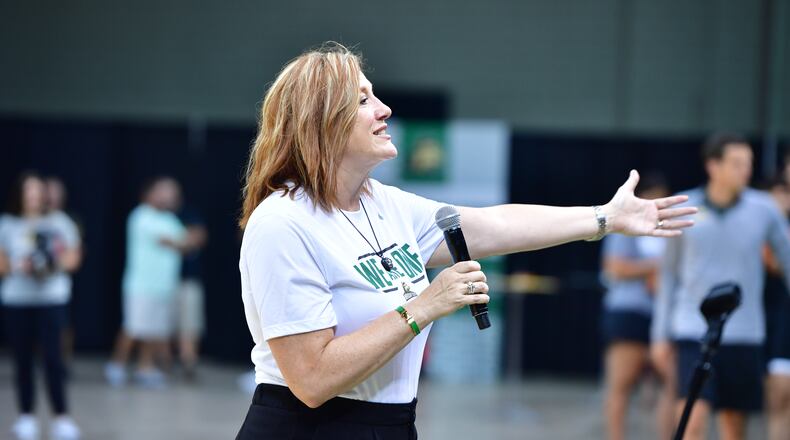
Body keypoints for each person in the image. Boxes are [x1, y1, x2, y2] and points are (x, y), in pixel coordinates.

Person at [234, 43, 695, 440]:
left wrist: (605, 218)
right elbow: (311, 380)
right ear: (322, 121)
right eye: (362, 100)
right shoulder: (283, 223)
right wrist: (425, 305)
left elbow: (496, 226)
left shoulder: (385, 205)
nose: (384, 109)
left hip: (389, 425)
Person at [651, 134, 790, 440]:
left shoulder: (764, 209)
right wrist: (660, 334)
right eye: (737, 163)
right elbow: (669, 275)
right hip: (692, 328)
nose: (746, 170)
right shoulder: (684, 207)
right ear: (713, 166)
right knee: (692, 416)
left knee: (733, 424)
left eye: (749, 163)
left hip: (745, 332)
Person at [0, 172, 82, 440]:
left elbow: (72, 258)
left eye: (39, 191)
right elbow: (2, 263)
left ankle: (62, 417)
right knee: (22, 359)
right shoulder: (7, 224)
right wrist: (18, 266)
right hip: (18, 300)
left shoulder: (59, 222)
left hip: (51, 300)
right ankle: (26, 417)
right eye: (29, 191)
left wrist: (50, 265)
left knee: (53, 359)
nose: (34, 196)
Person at [600, 173, 675, 440]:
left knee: (673, 386)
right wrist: (654, 269)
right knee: (621, 384)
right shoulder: (626, 227)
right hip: (630, 312)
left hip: (665, 315)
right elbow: (614, 266)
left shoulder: (671, 232)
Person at [105, 177, 194, 388]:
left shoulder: (170, 219)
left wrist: (185, 241)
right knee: (133, 327)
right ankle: (116, 365)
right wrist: (184, 241)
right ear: (150, 193)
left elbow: (187, 244)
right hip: (140, 285)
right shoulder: (140, 216)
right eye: (162, 192)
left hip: (164, 286)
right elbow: (174, 241)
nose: (166, 197)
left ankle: (145, 368)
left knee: (153, 330)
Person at [762, 175, 790, 440]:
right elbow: (770, 261)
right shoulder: (761, 225)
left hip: (782, 321)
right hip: (767, 323)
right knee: (778, 400)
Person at [175, 205, 208, 380]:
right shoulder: (150, 218)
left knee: (189, 326)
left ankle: (189, 362)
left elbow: (198, 238)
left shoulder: (187, 214)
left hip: (188, 281)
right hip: (162, 282)